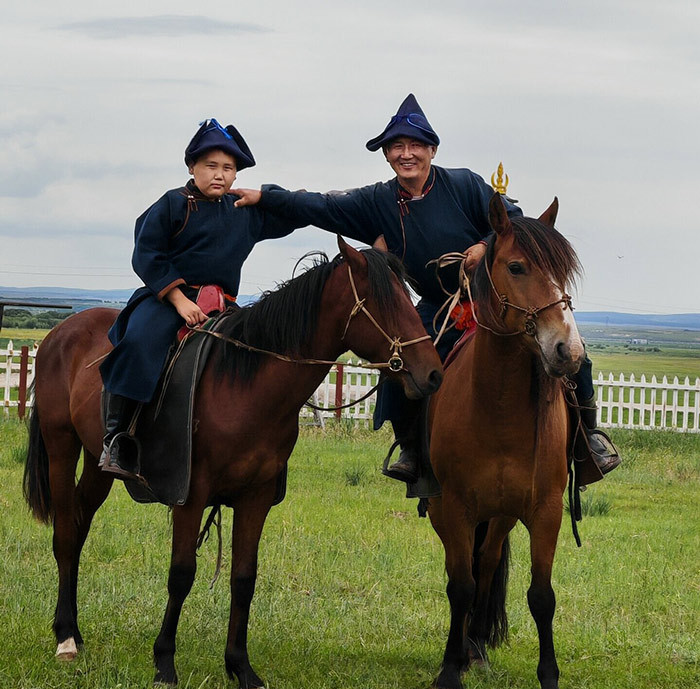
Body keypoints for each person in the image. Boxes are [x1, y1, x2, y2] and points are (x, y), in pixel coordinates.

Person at [233, 94, 620, 497]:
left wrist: (484, 246)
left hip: (493, 302)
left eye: (416, 145)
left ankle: (587, 441)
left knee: (571, 351)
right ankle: (413, 450)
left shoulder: (465, 184)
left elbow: (515, 224)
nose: (407, 154)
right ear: (386, 154)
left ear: (432, 150)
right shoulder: (377, 202)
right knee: (401, 359)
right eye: (397, 146)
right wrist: (267, 196)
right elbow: (321, 206)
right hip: (438, 308)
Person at [98, 118, 304, 481]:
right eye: (211, 165)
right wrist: (179, 300)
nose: (220, 175)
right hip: (167, 299)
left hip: (223, 304)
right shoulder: (172, 204)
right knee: (140, 343)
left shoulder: (243, 210)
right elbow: (146, 253)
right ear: (192, 167)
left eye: (228, 168)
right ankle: (117, 439)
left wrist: (266, 196)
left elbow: (293, 215)